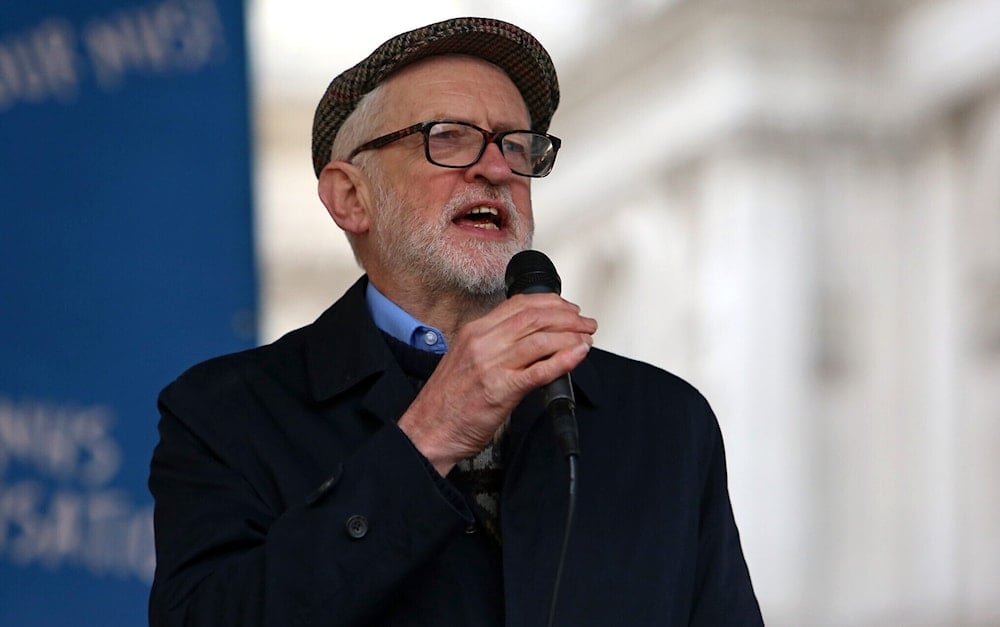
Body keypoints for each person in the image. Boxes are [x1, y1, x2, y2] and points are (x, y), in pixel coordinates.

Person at [148, 16, 763, 626]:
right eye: (447, 136)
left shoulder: (663, 422)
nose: (495, 169)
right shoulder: (224, 415)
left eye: (516, 146)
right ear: (350, 198)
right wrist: (427, 440)